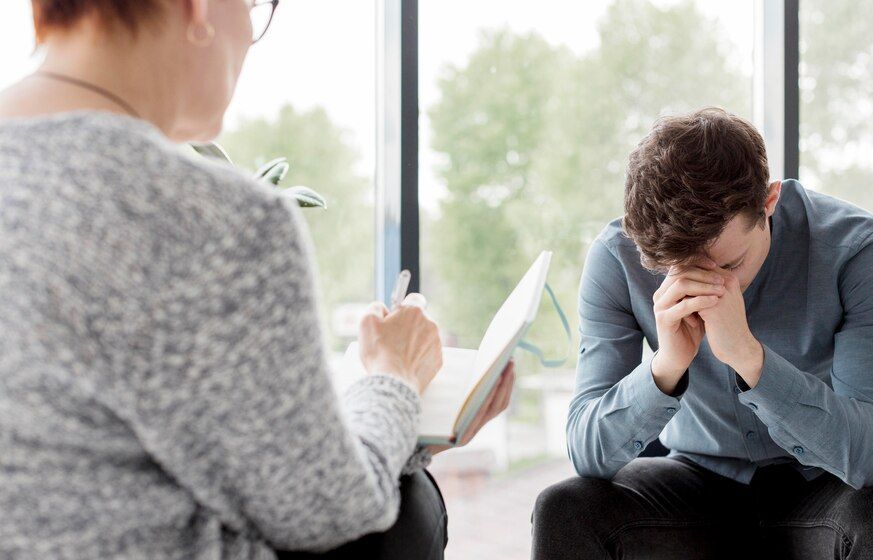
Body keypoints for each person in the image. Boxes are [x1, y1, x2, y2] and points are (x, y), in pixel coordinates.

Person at [0, 1, 514, 559]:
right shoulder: (210, 218)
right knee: (404, 510)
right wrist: (397, 377)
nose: (250, 33)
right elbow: (325, 508)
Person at [531, 107, 873, 559]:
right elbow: (587, 453)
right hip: (692, 483)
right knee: (563, 508)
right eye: (681, 271)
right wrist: (665, 367)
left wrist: (751, 359)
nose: (708, 290)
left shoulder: (861, 249)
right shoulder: (617, 257)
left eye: (728, 265)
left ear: (768, 202)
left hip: (824, 482)